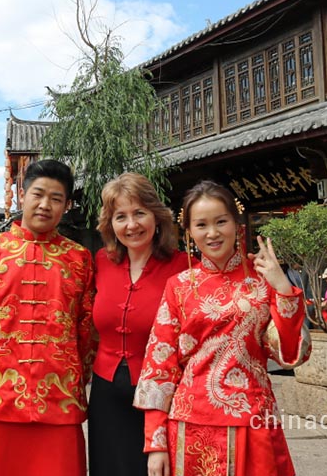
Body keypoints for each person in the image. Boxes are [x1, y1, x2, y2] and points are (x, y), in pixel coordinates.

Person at [133, 180, 310, 476]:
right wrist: (156, 443)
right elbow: (158, 367)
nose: (212, 233)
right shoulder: (178, 287)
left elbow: (291, 354)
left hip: (252, 421)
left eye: (221, 222)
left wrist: (283, 289)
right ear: (189, 232)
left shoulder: (263, 280)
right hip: (190, 423)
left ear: (237, 223)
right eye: (201, 225)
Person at [0, 159, 96, 476]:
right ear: (21, 194)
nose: (45, 205)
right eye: (38, 194)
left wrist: (79, 377)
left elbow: (87, 325)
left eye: (56, 198)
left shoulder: (79, 258)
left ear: (67, 205)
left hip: (60, 398)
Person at [88, 173, 188, 476]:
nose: (131, 225)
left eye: (139, 213)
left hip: (161, 397)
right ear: (110, 224)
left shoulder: (184, 267)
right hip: (105, 395)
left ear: (157, 217)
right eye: (121, 216)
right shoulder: (101, 262)